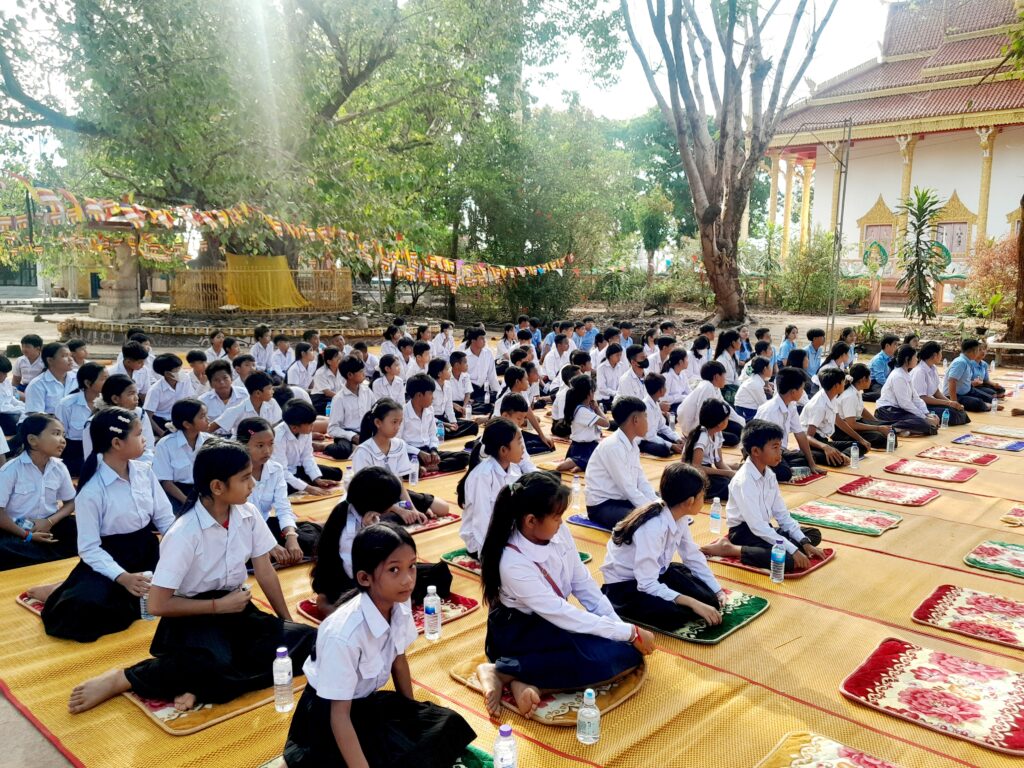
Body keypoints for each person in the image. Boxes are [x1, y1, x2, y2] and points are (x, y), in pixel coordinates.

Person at [67, 440, 315, 716]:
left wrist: (285, 622)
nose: (253, 484)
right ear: (217, 487)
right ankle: (124, 678)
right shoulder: (184, 533)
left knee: (306, 639)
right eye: (245, 478)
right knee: (213, 666)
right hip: (192, 616)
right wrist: (217, 606)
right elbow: (157, 605)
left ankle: (199, 684)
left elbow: (265, 571)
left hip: (236, 610)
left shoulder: (248, 514)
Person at [284, 523, 474, 768]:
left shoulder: (399, 603)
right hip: (328, 718)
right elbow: (339, 715)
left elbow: (399, 661)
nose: (408, 579)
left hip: (365, 705)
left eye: (412, 566)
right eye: (394, 570)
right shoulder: (343, 634)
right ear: (364, 578)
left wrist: (413, 716)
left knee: (449, 723)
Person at [475, 472, 654, 718]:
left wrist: (622, 629)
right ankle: (502, 671)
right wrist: (630, 633)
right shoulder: (512, 562)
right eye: (556, 516)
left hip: (552, 623)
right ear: (530, 521)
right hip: (519, 633)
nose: (561, 521)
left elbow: (583, 584)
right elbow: (560, 613)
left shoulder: (559, 532)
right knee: (601, 659)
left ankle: (519, 680)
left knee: (625, 651)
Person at [37, 408, 175, 642]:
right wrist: (123, 577)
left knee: (197, 583)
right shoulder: (92, 490)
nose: (145, 439)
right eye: (138, 434)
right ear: (117, 443)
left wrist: (181, 550)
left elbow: (165, 519)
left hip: (147, 549)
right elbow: (89, 548)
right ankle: (56, 591)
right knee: (79, 612)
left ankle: (65, 585)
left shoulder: (144, 472)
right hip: (111, 555)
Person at [601, 463, 728, 628]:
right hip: (626, 585)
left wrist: (718, 590)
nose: (704, 500)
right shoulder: (652, 527)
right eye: (702, 496)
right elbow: (646, 584)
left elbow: (692, 556)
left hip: (656, 573)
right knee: (674, 616)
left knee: (710, 600)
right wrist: (693, 603)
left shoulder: (680, 515)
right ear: (690, 501)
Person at [311, 467, 452, 614]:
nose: (392, 506)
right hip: (356, 583)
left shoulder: (357, 507)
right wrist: (370, 533)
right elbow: (364, 574)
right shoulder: (349, 532)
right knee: (430, 578)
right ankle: (331, 602)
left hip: (370, 572)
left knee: (438, 572)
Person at [721, 420, 826, 572]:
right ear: (756, 451)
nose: (780, 452)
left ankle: (788, 545)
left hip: (764, 528)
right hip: (744, 532)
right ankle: (732, 549)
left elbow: (781, 514)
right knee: (786, 561)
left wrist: (804, 542)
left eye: (780, 447)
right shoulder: (744, 481)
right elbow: (757, 526)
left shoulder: (769, 474)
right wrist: (793, 550)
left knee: (812, 535)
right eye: (775, 447)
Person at [0, 414, 76, 570]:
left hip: (49, 525)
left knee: (80, 529)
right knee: (4, 548)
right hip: (16, 530)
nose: (62, 440)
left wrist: (49, 522)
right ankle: (45, 554)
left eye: (63, 435)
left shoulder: (60, 468)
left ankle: (41, 554)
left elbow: (71, 502)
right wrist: (27, 535)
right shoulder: (10, 470)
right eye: (56, 433)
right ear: (33, 440)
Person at [352, 399, 448, 521]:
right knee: (379, 520)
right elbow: (366, 493)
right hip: (372, 499)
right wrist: (399, 510)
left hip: (394, 495)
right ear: (378, 423)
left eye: (400, 422)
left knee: (443, 508)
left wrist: (412, 508)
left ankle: (407, 511)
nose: (397, 427)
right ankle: (397, 514)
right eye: (394, 422)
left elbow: (399, 483)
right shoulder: (363, 452)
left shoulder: (399, 445)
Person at [235, 417, 311, 564]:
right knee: (254, 557)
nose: (267, 451)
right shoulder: (233, 473)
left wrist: (291, 537)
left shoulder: (275, 469)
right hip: (241, 531)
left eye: (271, 444)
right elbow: (238, 518)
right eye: (260, 445)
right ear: (243, 445)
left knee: (306, 541)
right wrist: (268, 545)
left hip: (264, 525)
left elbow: (283, 507)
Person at [755, 367, 847, 482]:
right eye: (802, 389)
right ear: (793, 392)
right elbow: (763, 444)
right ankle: (754, 467)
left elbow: (800, 434)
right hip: (762, 452)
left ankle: (783, 465)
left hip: (779, 450)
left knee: (809, 458)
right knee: (784, 474)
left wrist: (812, 464)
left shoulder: (791, 405)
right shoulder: (771, 411)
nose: (803, 392)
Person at [584, 397, 660, 530]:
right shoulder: (613, 447)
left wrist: (656, 502)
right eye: (645, 417)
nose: (648, 422)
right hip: (603, 505)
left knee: (662, 500)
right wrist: (652, 509)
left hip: (623, 499)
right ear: (635, 420)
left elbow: (641, 480)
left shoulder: (632, 445)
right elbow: (628, 488)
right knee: (644, 522)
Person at [456, 418, 523, 558]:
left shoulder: (515, 470)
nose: (523, 447)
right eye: (519, 442)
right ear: (503, 450)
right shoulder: (483, 476)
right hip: (481, 541)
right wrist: (490, 555)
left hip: (504, 533)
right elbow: (481, 521)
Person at [153, 399, 212, 515]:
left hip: (205, 491)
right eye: (202, 416)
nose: (208, 419)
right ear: (187, 424)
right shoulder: (165, 444)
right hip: (177, 493)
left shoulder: (210, 441)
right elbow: (166, 482)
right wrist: (187, 501)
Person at [401, 374, 469, 474]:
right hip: (411, 453)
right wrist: (419, 452)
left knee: (465, 457)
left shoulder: (430, 410)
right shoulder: (402, 413)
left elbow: (433, 435)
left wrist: (433, 451)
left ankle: (430, 468)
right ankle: (419, 468)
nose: (433, 398)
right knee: (404, 466)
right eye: (430, 394)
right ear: (419, 395)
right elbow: (397, 442)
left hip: (428, 451)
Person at [273, 399, 342, 495]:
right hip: (282, 474)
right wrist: (308, 488)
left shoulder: (305, 431)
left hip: (298, 468)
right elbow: (282, 471)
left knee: (336, 474)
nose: (312, 427)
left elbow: (307, 457)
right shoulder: (278, 437)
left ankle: (306, 481)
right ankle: (304, 483)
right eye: (310, 424)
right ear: (294, 427)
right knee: (283, 488)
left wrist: (316, 478)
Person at [84, 375, 156, 464]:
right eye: (131, 394)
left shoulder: (140, 413)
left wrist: (139, 468)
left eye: (136, 393)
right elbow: (92, 457)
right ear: (115, 399)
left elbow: (148, 448)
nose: (136, 398)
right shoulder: (94, 423)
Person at [55, 362, 107, 476]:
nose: (108, 383)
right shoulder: (66, 404)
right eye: (103, 379)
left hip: (102, 450)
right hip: (75, 452)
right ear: (88, 383)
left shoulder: (109, 402)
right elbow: (59, 435)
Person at [875, 345, 939, 436]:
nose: (917, 359)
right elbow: (904, 403)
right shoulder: (898, 376)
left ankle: (902, 429)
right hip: (888, 411)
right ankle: (890, 428)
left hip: (899, 410)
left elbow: (916, 398)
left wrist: (927, 413)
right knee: (924, 424)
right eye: (915, 357)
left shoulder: (905, 374)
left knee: (928, 424)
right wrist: (924, 418)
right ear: (907, 359)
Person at [678, 361, 745, 447]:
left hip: (707, 423)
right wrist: (700, 436)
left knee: (739, 429)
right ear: (716, 376)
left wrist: (741, 421)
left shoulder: (715, 388)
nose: (725, 379)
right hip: (694, 428)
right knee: (734, 439)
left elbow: (725, 407)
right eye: (724, 376)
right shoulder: (707, 387)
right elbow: (700, 414)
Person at [553, 373, 608, 473]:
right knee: (603, 462)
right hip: (584, 448)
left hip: (581, 447)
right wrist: (597, 408)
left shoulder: (581, 408)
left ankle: (580, 465)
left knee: (605, 460)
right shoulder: (583, 411)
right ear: (589, 393)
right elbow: (606, 423)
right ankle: (575, 463)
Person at [323, 355, 375, 460]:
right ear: (350, 375)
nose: (364, 373)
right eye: (361, 371)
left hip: (365, 432)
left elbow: (374, 413)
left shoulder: (367, 392)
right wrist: (352, 436)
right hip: (346, 434)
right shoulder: (339, 398)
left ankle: (357, 448)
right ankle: (324, 447)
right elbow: (332, 429)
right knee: (343, 451)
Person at [683, 400, 737, 500]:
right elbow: (696, 467)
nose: (728, 421)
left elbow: (719, 462)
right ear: (720, 423)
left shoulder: (717, 433)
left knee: (733, 482)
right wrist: (728, 473)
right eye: (727, 419)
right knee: (727, 486)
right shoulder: (702, 437)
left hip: (706, 471)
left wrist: (733, 475)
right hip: (693, 474)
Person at [800, 369, 859, 458]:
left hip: (823, 439)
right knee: (841, 459)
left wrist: (860, 439)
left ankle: (840, 456)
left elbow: (838, 420)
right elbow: (808, 437)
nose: (845, 384)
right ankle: (838, 457)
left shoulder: (831, 395)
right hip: (812, 442)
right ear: (836, 385)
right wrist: (825, 447)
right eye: (843, 382)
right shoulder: (819, 405)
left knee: (858, 446)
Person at [912, 341, 969, 425]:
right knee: (952, 414)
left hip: (930, 403)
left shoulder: (933, 368)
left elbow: (936, 392)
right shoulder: (920, 371)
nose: (941, 356)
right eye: (940, 353)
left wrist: (952, 403)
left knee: (959, 411)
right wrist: (948, 403)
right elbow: (922, 398)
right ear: (935, 355)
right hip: (921, 406)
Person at [208, 371, 282, 436]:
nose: (273, 391)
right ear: (258, 393)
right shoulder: (237, 410)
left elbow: (277, 425)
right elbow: (210, 428)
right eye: (269, 388)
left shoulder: (272, 403)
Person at [836, 363, 890, 449]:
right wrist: (878, 428)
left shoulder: (856, 391)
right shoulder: (850, 396)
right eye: (869, 377)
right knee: (882, 438)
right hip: (843, 430)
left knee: (890, 430)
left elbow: (862, 410)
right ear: (864, 379)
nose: (870, 380)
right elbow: (852, 424)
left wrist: (878, 423)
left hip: (855, 422)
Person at [427, 358, 478, 440]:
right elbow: (427, 415)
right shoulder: (429, 388)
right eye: (447, 369)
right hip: (432, 421)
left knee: (473, 426)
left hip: (443, 418)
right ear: (439, 374)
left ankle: (448, 432)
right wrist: (446, 424)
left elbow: (449, 407)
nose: (450, 371)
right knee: (437, 431)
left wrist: (453, 422)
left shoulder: (447, 385)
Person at [144, 353, 193, 436]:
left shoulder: (185, 379)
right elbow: (147, 416)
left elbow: (189, 400)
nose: (181, 371)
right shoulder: (155, 390)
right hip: (161, 420)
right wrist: (162, 433)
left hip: (179, 418)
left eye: (180, 367)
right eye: (177, 369)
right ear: (167, 373)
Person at [23, 342, 75, 417]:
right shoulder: (37, 384)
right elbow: (35, 415)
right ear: (50, 360)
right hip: (48, 423)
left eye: (71, 355)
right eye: (64, 356)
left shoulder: (77, 378)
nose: (71, 359)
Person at [640, 373, 684, 458]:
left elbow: (662, 426)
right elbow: (649, 436)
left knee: (674, 440)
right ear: (660, 390)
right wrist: (671, 445)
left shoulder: (656, 403)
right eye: (664, 386)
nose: (666, 389)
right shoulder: (646, 407)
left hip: (654, 435)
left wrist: (677, 438)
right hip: (644, 439)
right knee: (664, 450)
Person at [945, 338, 993, 413]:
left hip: (967, 391)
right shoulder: (960, 362)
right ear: (973, 351)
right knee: (978, 403)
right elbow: (952, 381)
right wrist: (954, 402)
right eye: (978, 350)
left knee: (990, 398)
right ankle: (985, 405)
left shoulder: (967, 361)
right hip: (955, 395)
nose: (978, 353)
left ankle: (986, 404)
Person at [198, 359, 246, 426]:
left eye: (225, 378)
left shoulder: (246, 395)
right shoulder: (203, 401)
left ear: (231, 378)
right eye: (216, 380)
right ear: (211, 384)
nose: (222, 382)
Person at [734, 357, 771, 421]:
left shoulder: (755, 379)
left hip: (747, 410)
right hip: (746, 412)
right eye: (769, 367)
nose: (771, 369)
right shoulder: (755, 383)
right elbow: (764, 405)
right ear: (764, 369)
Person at [309, 346, 343, 415]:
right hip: (321, 400)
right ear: (329, 362)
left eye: (341, 359)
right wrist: (342, 398)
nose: (340, 361)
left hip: (335, 397)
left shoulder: (341, 370)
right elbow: (327, 392)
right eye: (338, 360)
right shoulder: (320, 373)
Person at [865, 334, 899, 402]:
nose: (897, 347)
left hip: (882, 383)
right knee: (883, 395)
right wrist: (891, 387)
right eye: (895, 344)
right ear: (887, 346)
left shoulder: (890, 358)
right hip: (873, 383)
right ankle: (861, 396)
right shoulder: (879, 359)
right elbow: (879, 378)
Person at [0, 356, 25, 435]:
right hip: (3, 414)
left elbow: (12, 399)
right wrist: (19, 409)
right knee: (14, 419)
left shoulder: (6, 382)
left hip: (10, 410)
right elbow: (2, 408)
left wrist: (24, 406)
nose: (6, 376)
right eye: (4, 373)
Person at [713, 330, 742, 399]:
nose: (741, 343)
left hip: (734, 388)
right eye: (739, 341)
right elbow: (718, 383)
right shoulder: (721, 360)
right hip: (725, 391)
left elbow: (735, 378)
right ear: (733, 343)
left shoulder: (735, 357)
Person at [596, 342, 626, 408]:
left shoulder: (621, 366)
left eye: (620, 355)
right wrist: (615, 393)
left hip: (618, 398)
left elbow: (623, 382)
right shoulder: (601, 368)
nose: (619, 357)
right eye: (617, 355)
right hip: (604, 400)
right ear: (610, 356)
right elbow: (601, 388)